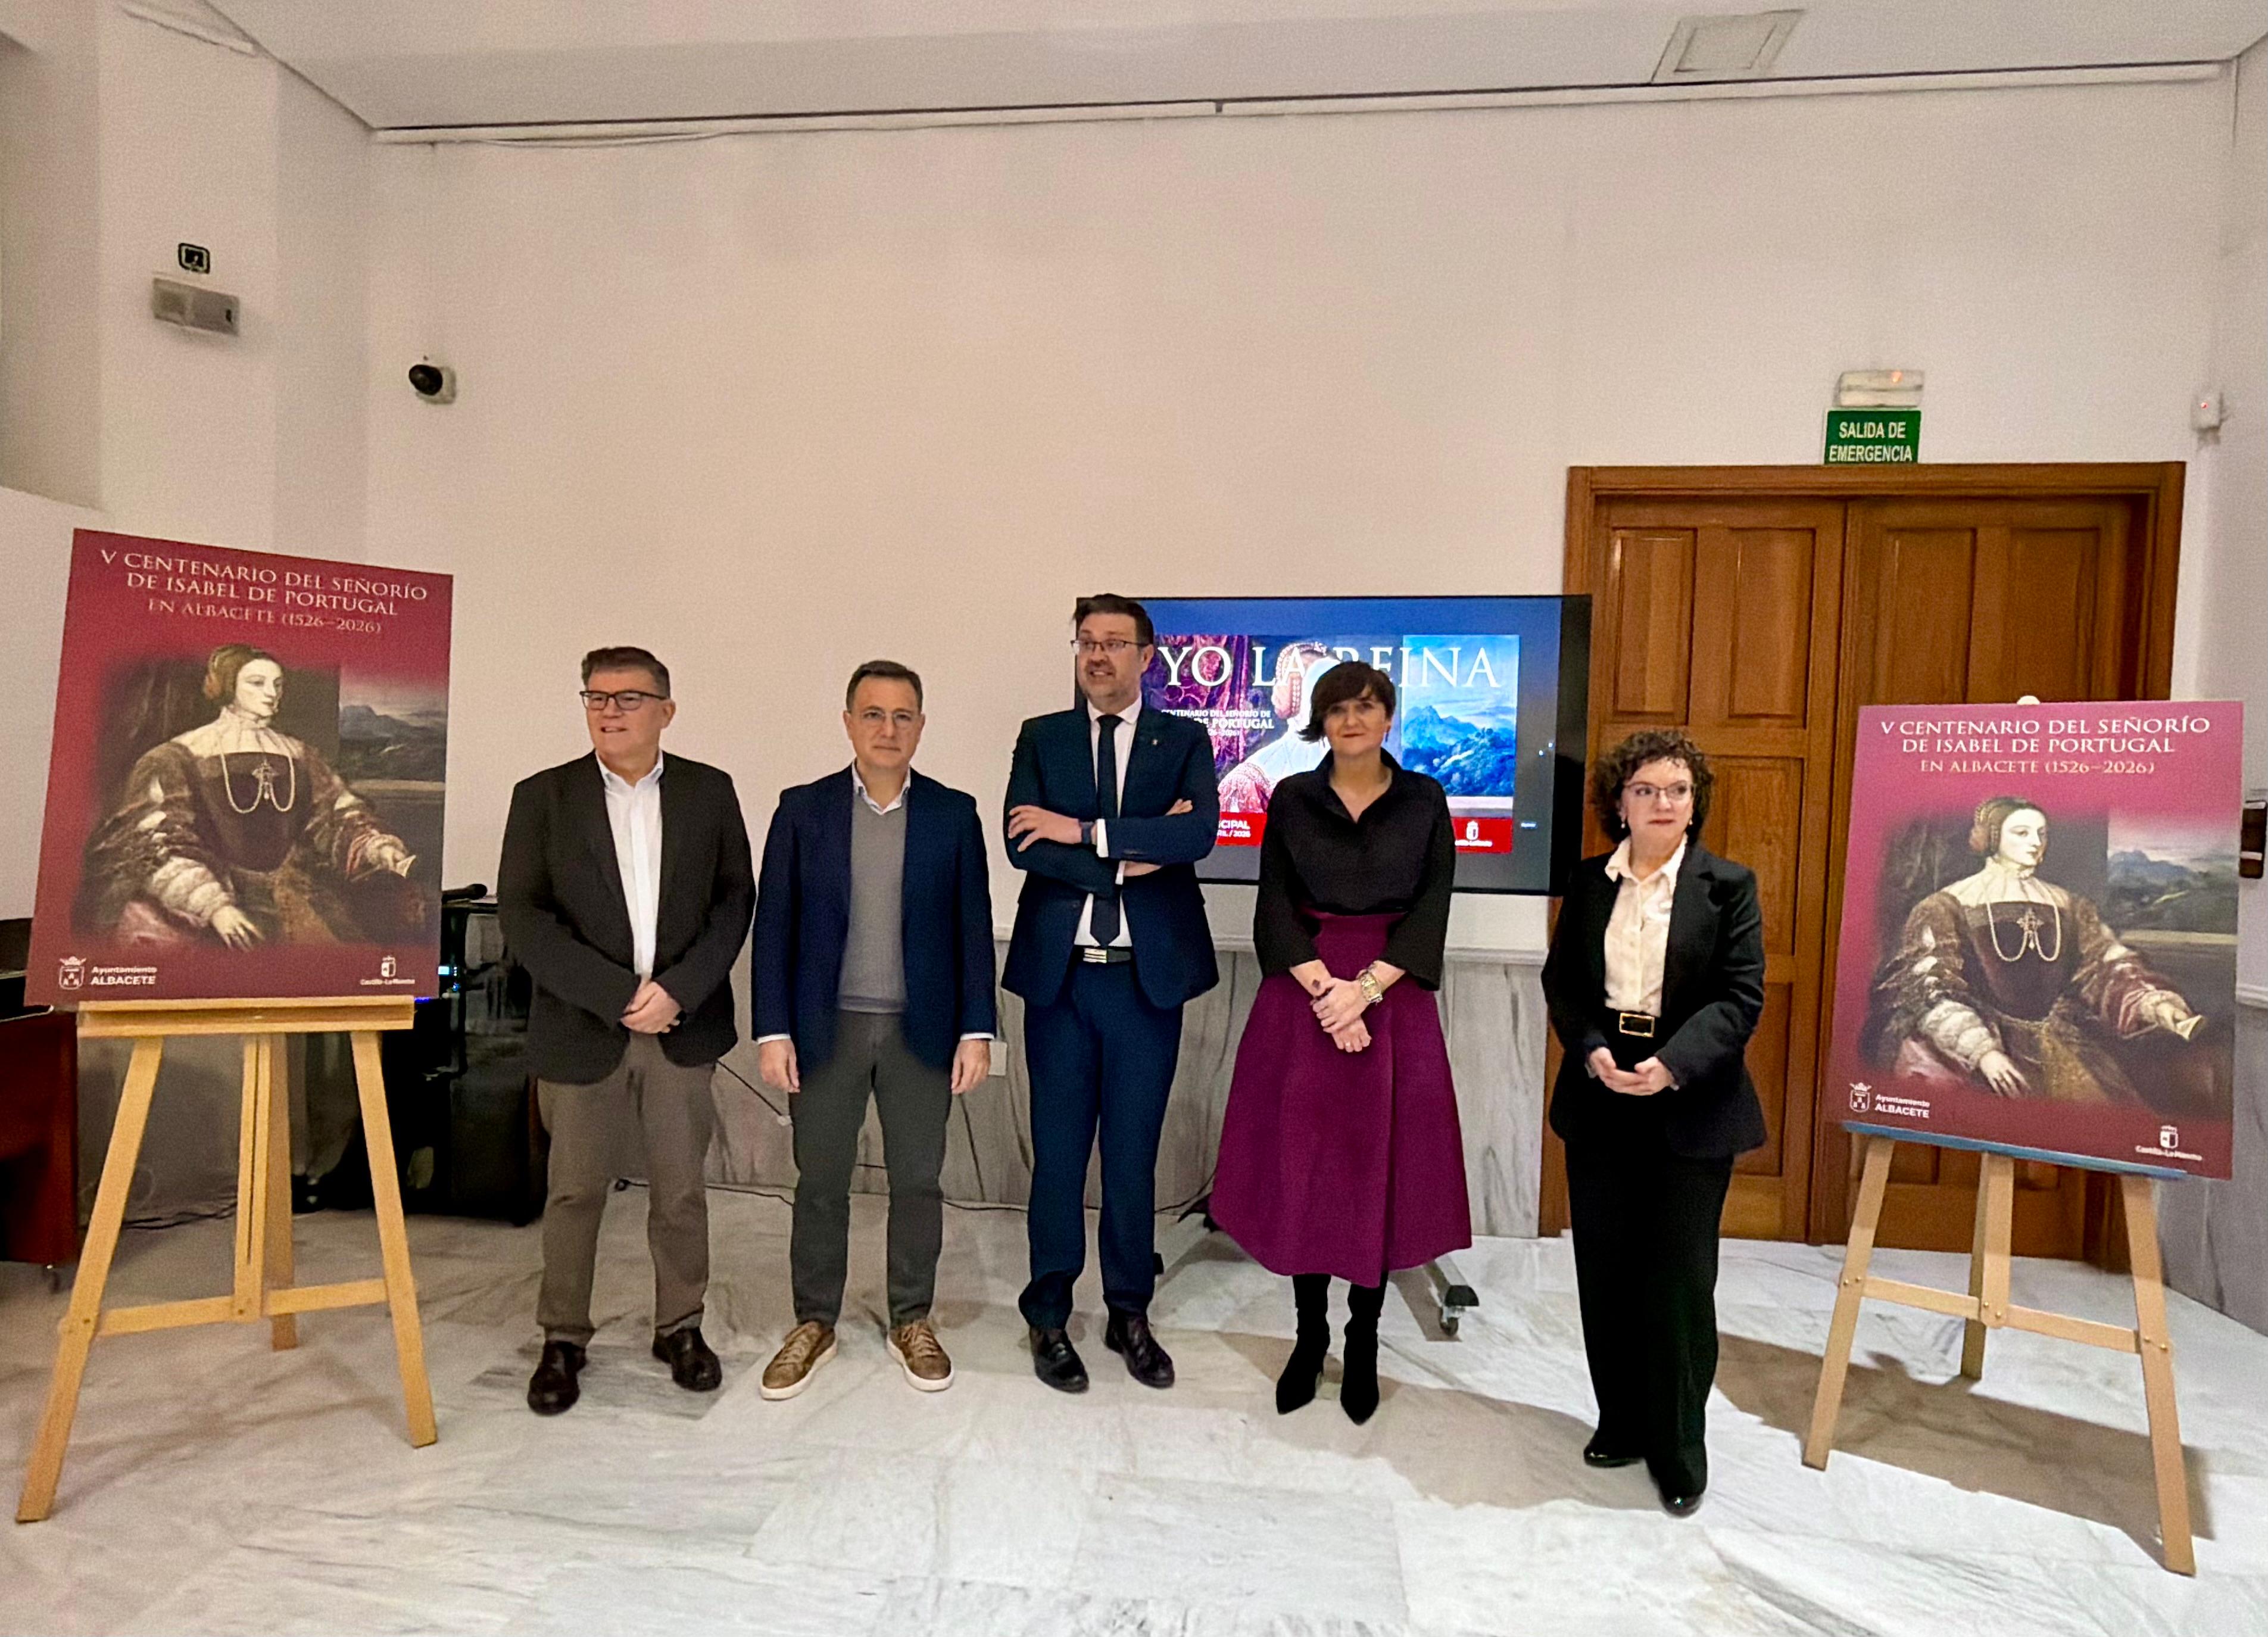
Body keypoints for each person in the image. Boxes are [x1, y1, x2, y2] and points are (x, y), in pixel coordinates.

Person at [1211, 660, 1469, 1426]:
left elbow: (1430, 908)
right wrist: (1329, 991)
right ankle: (1308, 1336)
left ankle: (1362, 1341)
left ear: (1388, 717)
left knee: (1374, 1177)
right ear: (1318, 720)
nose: (1352, 718)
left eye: (1366, 705)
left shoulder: (1424, 799)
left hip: (1392, 1001)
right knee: (1305, 1174)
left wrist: (1367, 990)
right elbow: (1274, 908)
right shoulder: (1291, 797)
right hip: (1305, 997)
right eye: (1337, 708)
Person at [498, 646, 754, 1415]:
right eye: (596, 696)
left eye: (629, 697)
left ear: (666, 711)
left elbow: (734, 901)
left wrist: (678, 989)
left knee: (679, 1191)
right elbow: (524, 915)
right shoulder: (544, 797)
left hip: (681, 1025)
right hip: (584, 1028)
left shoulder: (710, 793)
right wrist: (618, 993)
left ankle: (679, 1325)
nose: (609, 710)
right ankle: (563, 1337)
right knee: (574, 1191)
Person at [751, 660, 997, 1399]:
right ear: (848, 721)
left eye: (902, 716)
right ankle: (813, 1321)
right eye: (873, 714)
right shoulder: (803, 810)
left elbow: (972, 931)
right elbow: (775, 930)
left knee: (918, 1180)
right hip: (825, 1030)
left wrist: (976, 1029)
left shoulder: (955, 814)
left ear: (920, 726)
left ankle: (911, 1317)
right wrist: (772, 1030)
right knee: (820, 1178)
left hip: (921, 1032)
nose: (887, 729)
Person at [1541, 729, 1765, 1517]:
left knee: (1676, 1281)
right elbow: (1563, 981)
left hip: (1690, 1100)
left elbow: (1741, 997)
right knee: (1606, 1272)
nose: (1663, 803)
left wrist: (1669, 1064)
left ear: (1693, 803)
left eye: (1677, 790)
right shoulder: (1589, 882)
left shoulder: (1727, 886)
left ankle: (1677, 1450)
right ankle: (1621, 1423)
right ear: (1620, 803)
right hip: (1601, 1091)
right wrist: (1595, 1049)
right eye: (1646, 789)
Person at [1003, 594, 1220, 1393]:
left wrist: (1085, 831)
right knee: (1057, 1158)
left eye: (1115, 643)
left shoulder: (1184, 739)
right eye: (1087, 642)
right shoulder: (1042, 737)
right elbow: (1022, 841)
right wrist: (1136, 848)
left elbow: (1198, 834)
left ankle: (1130, 1309)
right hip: (1059, 983)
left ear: (1147, 656)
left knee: (1132, 1157)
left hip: (1144, 984)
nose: (1098, 656)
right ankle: (1049, 1316)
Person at [78, 643, 420, 946]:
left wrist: (376, 847)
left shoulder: (300, 755)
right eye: (256, 683)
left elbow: (335, 814)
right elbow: (155, 839)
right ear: (228, 687)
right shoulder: (176, 756)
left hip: (288, 896)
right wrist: (215, 907)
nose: (271, 693)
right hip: (206, 902)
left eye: (277, 684)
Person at [1868, 796, 2200, 1102]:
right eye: (2022, 832)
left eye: (2041, 833)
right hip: (1976, 1045)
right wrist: (1984, 1052)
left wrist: (2153, 1005)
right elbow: (1930, 989)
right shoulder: (1946, 906)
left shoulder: (2069, 905)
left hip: (2058, 1041)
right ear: (1993, 839)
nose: (2035, 842)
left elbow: (2103, 965)